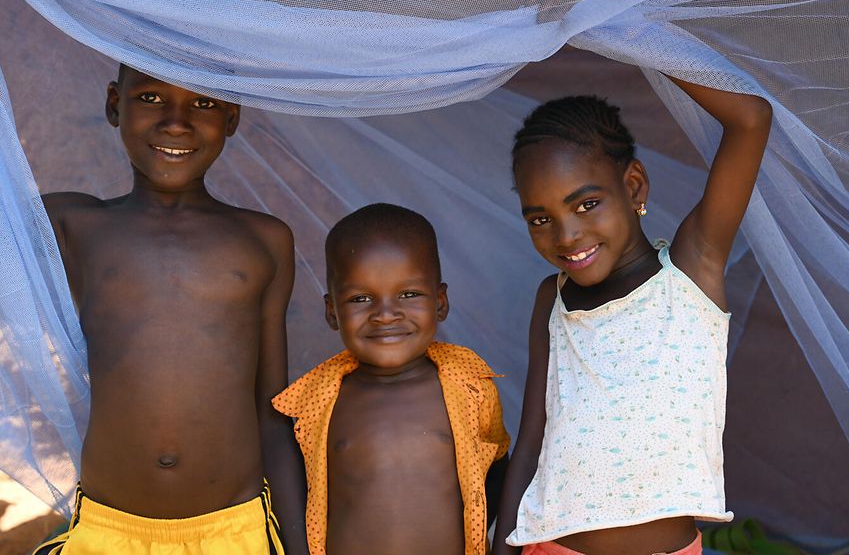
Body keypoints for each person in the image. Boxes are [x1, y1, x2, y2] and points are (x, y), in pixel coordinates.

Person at [33, 65, 308, 554]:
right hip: (108, 533)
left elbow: (272, 413)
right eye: (152, 98)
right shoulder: (73, 225)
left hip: (235, 532)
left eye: (203, 103)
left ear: (232, 116)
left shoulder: (264, 241)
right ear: (115, 104)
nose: (176, 122)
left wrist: (300, 548)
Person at [493, 80, 773, 555]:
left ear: (634, 185)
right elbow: (531, 443)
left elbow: (751, 121)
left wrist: (639, 34)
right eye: (540, 219)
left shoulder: (690, 271)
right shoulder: (552, 299)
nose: (566, 234)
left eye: (586, 204)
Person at [272, 203, 510, 555]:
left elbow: (497, 466)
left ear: (440, 303)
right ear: (332, 311)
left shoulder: (470, 383)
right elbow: (295, 487)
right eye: (361, 298)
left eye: (409, 294)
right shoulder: (317, 398)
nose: (385, 314)